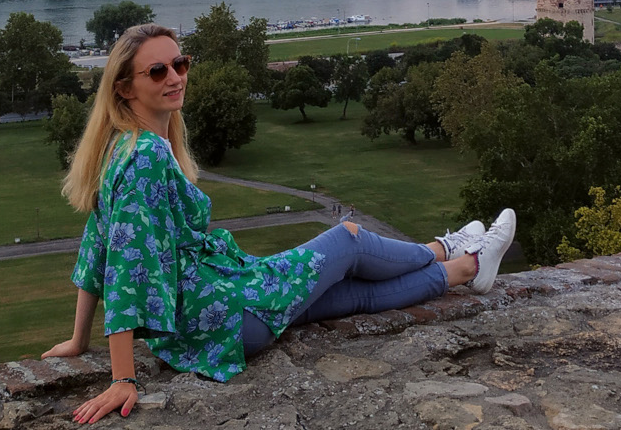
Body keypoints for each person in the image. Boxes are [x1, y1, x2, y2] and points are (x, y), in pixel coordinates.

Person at [42, 23, 516, 423]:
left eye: (180, 64)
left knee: (352, 295)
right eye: (157, 71)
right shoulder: (145, 156)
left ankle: (467, 269)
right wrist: (123, 378)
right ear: (124, 88)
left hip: (205, 323)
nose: (175, 77)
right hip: (227, 312)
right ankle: (446, 248)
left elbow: (96, 244)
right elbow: (126, 265)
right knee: (349, 240)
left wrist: (80, 340)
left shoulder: (121, 146)